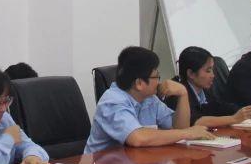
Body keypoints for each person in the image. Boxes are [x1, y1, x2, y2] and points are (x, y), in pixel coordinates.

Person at [85, 46, 214, 153]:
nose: (159, 82)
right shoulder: (112, 101)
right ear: (139, 83)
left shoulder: (149, 99)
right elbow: (138, 138)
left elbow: (179, 127)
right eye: (156, 77)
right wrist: (188, 133)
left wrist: (183, 94)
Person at [176, 46, 251, 127]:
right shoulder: (178, 94)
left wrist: (248, 112)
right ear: (191, 73)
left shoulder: (203, 90)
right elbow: (195, 121)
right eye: (208, 71)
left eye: (212, 70)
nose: (213, 75)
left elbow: (220, 107)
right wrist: (234, 119)